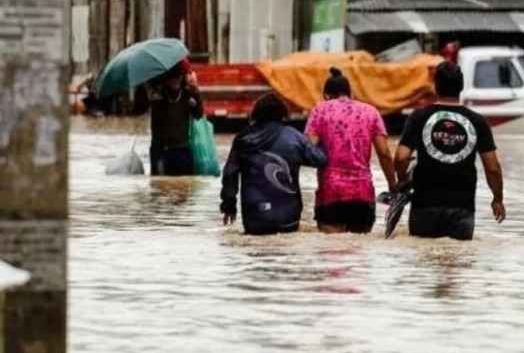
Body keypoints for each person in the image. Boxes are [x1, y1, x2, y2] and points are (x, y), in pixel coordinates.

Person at [394, 61, 505, 241]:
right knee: (458, 264)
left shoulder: (418, 117)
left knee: (424, 264)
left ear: (435, 86)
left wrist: (403, 180)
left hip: (424, 206)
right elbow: (493, 167)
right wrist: (497, 198)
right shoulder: (478, 121)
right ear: (461, 87)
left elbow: (401, 157)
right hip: (462, 208)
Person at [305, 68, 397, 234]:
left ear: (326, 95)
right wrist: (392, 185)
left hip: (330, 193)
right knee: (359, 254)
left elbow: (308, 149)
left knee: (331, 254)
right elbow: (384, 153)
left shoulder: (320, 110)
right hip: (363, 194)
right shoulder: (371, 112)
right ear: (350, 93)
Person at [220, 93, 327, 235]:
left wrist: (228, 206)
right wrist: (323, 139)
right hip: (288, 217)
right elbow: (320, 160)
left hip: (255, 218)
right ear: (283, 113)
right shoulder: (294, 137)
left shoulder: (243, 139)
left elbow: (229, 174)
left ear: (256, 113)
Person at [133, 60, 203, 175]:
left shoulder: (188, 94)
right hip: (160, 151)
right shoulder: (156, 94)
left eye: (179, 76)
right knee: (159, 187)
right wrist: (142, 87)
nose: (176, 80)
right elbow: (138, 110)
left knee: (184, 188)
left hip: (182, 151)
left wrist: (196, 92)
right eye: (172, 77)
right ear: (165, 78)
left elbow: (198, 114)